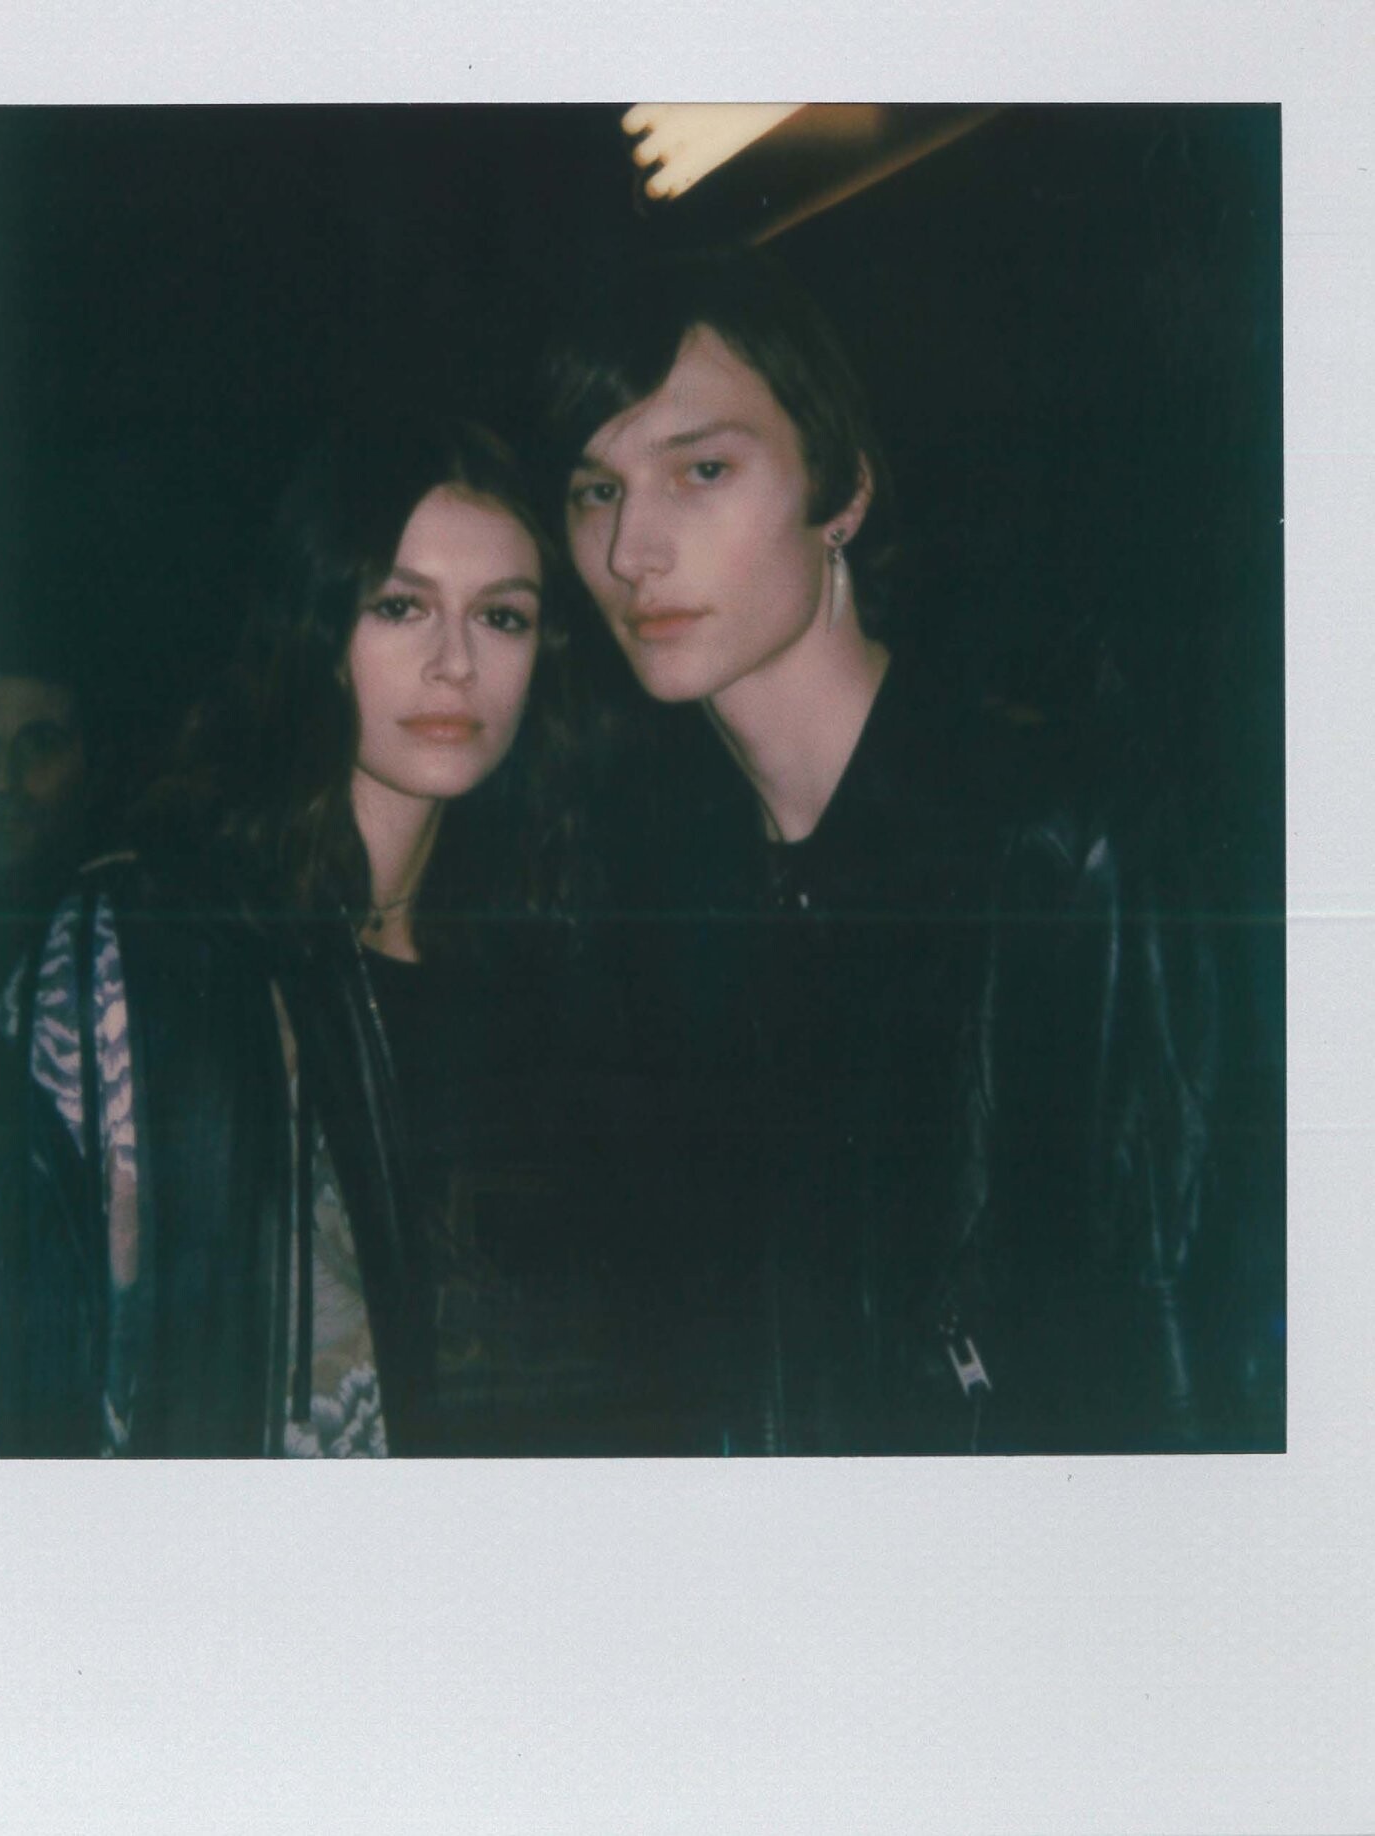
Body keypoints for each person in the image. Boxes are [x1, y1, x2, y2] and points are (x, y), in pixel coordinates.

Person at [543, 246, 1281, 1454]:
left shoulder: (1058, 846)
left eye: (703, 470)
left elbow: (1177, 1348)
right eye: (594, 491)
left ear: (842, 495)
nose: (633, 551)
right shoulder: (657, 888)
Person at [0, 413, 621, 1457]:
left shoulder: (563, 966)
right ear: (319, 631)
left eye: (502, 617)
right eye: (400, 606)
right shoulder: (147, 947)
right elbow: (11, 1369)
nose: (456, 663)